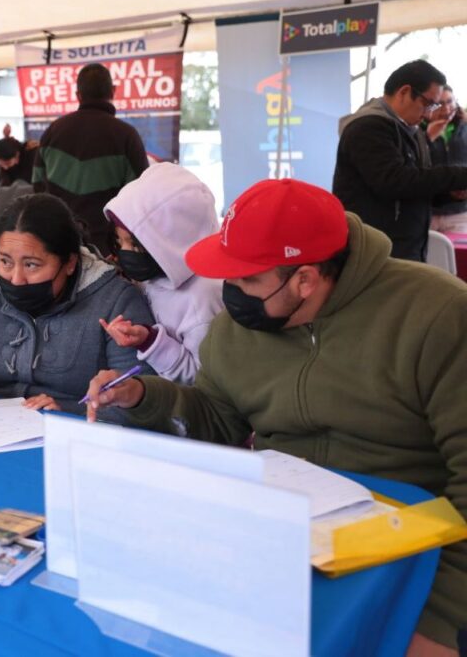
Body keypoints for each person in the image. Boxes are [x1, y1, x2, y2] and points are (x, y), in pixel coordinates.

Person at [84, 178, 467, 655]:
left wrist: (441, 617)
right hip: (279, 542)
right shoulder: (237, 331)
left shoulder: (438, 315)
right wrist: (143, 396)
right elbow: (218, 419)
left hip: (409, 554)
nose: (230, 294)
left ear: (305, 279)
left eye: (246, 280)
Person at [0, 194, 155, 418]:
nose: (16, 279)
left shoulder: (116, 300)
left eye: (31, 265)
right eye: (5, 261)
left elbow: (141, 399)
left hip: (72, 439)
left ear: (70, 262)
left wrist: (68, 412)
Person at [101, 163, 223, 385]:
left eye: (136, 244)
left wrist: (151, 342)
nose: (124, 253)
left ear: (170, 239)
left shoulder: (201, 299)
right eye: (120, 242)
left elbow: (200, 378)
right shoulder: (155, 273)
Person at [333, 60, 467, 261]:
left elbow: (417, 186)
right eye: (428, 103)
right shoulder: (367, 127)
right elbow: (395, 181)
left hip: (407, 246)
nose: (429, 113)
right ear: (404, 92)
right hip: (376, 251)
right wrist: (460, 176)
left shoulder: (412, 131)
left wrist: (450, 195)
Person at [32, 63, 149, 253]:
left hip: (59, 243)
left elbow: (37, 187)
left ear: (78, 95)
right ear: (113, 91)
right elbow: (139, 196)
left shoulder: (52, 132)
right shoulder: (126, 136)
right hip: (107, 249)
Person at [426, 86, 467, 234]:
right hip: (426, 211)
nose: (446, 108)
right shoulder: (416, 130)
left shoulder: (465, 127)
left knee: (459, 257)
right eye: (440, 103)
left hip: (460, 213)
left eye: (450, 101)